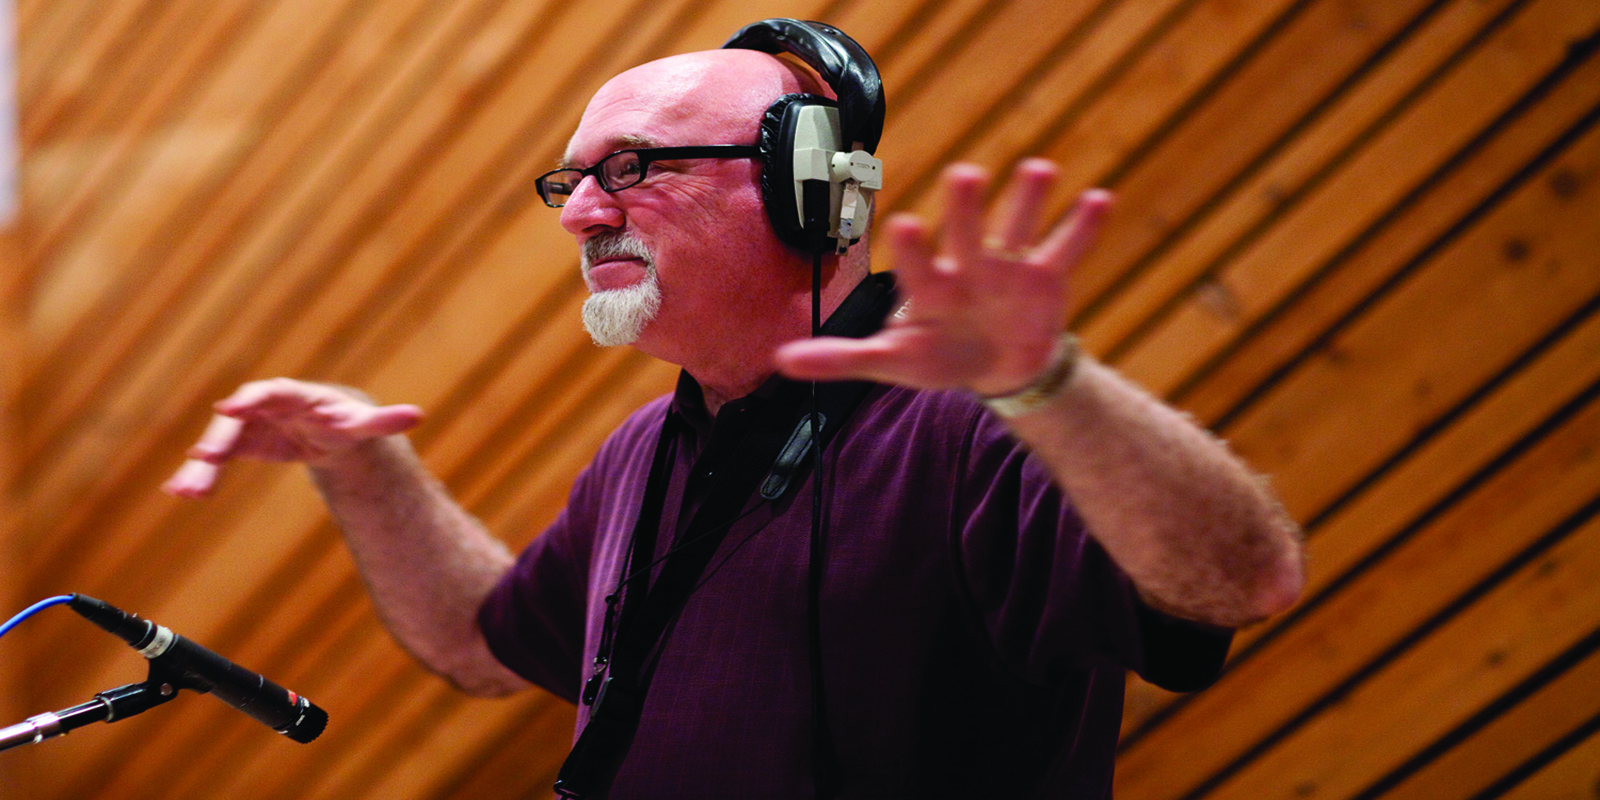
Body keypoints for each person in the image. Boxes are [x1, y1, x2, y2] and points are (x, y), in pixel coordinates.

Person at [164, 26, 1303, 800]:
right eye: (572, 182)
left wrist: (1049, 382)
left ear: (813, 190)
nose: (580, 215)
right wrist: (362, 466)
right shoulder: (642, 455)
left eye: (634, 167)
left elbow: (1244, 579)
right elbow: (482, 640)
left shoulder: (969, 427)